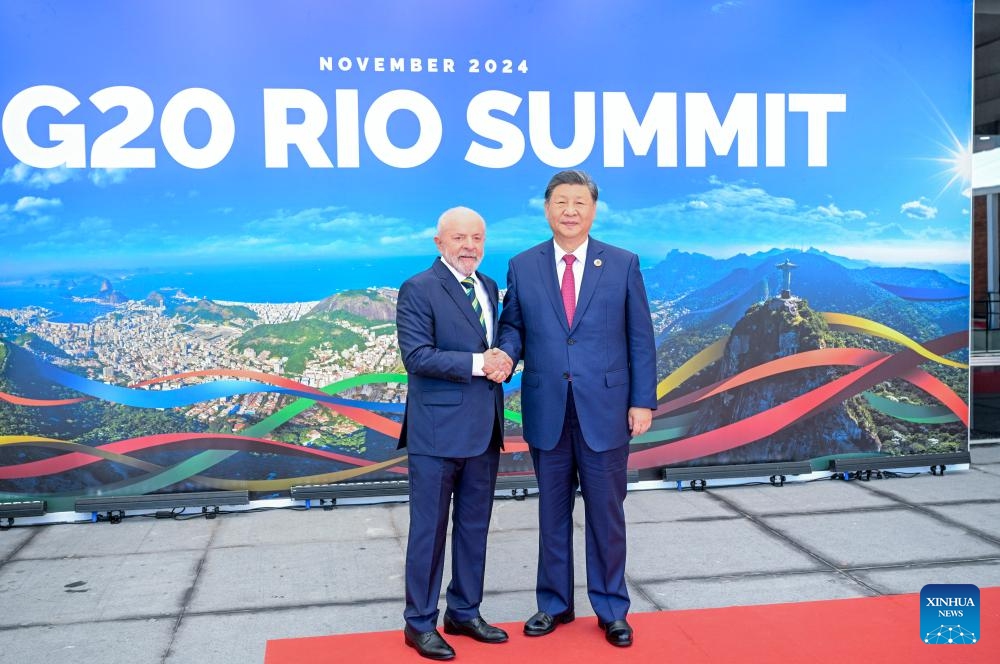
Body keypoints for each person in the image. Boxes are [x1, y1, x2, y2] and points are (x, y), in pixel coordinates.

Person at [495, 170, 656, 648]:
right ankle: (553, 604)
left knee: (607, 513)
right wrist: (504, 352)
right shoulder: (523, 265)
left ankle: (611, 608)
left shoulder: (623, 264)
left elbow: (640, 338)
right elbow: (514, 327)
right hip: (547, 407)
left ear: (593, 210)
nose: (570, 210)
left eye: (579, 202)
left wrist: (642, 400)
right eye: (561, 202)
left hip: (606, 410)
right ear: (547, 209)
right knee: (553, 512)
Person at [396, 206, 512, 661]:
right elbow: (418, 357)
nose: (470, 247)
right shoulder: (418, 288)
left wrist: (499, 358)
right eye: (460, 238)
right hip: (435, 434)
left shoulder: (488, 286)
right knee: (429, 530)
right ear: (439, 243)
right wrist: (480, 364)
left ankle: (464, 610)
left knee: (474, 527)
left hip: (484, 429)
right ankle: (419, 622)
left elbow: (495, 345)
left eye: (477, 238)